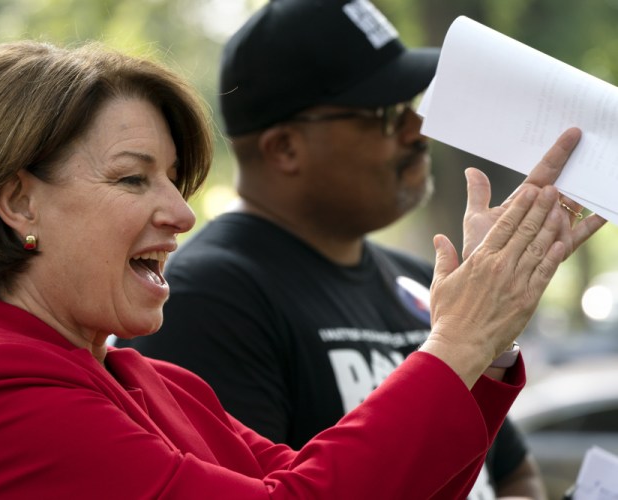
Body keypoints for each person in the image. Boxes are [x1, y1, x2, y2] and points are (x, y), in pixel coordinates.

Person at [0, 38, 600, 499]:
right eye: (134, 180)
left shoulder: (148, 379)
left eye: (175, 180)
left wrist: (487, 339)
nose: (181, 212)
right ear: (18, 202)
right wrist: (456, 346)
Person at [125, 1, 606, 498]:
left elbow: (510, 474)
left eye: (413, 105)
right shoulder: (207, 296)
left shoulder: (424, 280)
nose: (417, 129)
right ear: (284, 148)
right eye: (385, 114)